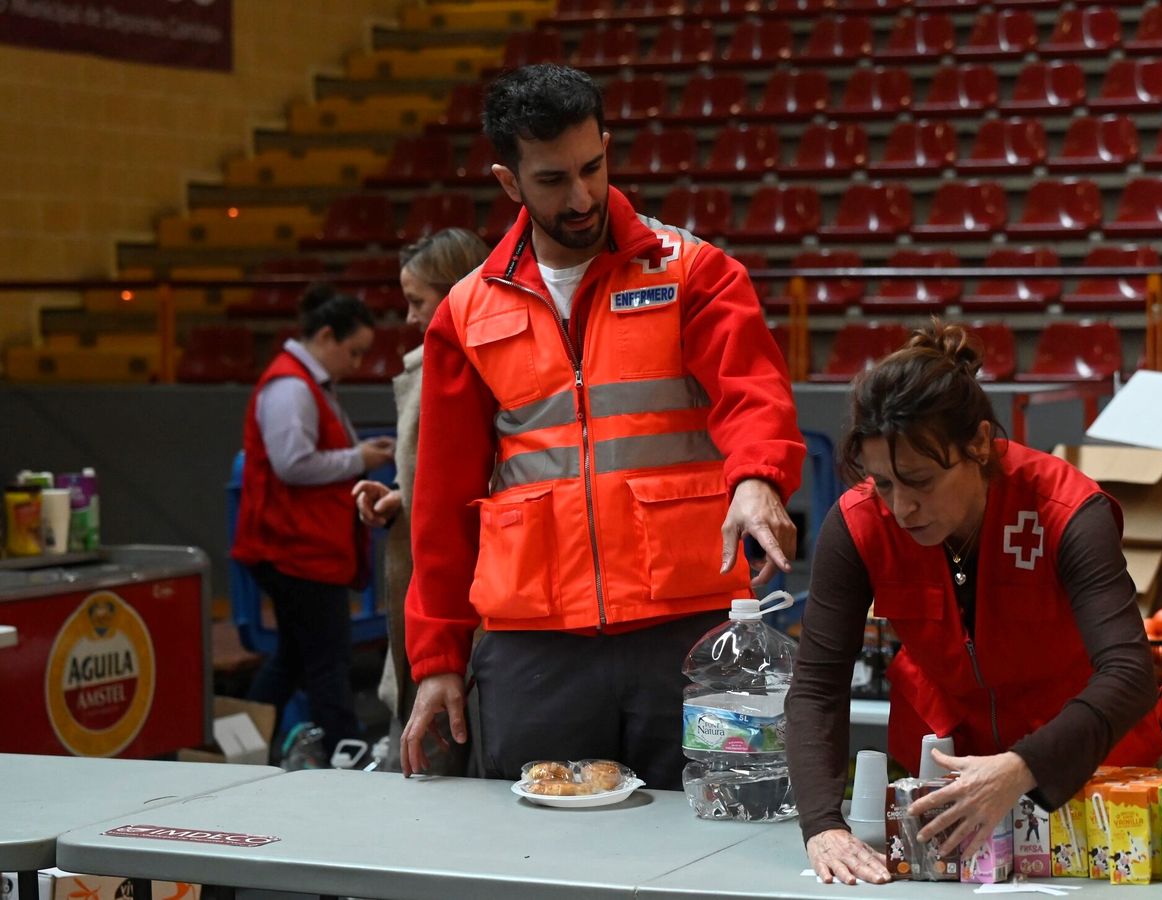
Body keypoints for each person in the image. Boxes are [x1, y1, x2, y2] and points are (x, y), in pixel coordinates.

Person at [401, 64, 805, 785]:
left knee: (715, 839)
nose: (582, 196)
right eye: (554, 179)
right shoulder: (464, 313)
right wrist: (436, 660)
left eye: (593, 167)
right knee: (533, 858)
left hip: (694, 630)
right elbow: (439, 506)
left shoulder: (695, 272)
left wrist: (756, 478)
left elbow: (754, 393)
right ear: (509, 182)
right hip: (534, 647)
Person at [787, 323, 1162, 886]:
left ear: (980, 445)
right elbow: (818, 683)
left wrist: (1023, 767)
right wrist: (822, 823)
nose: (901, 507)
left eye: (918, 481)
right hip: (948, 778)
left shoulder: (1065, 511)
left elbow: (1130, 673)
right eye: (884, 483)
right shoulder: (859, 524)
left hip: (1094, 769)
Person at [233, 285, 395, 760]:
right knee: (327, 661)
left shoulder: (306, 383)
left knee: (296, 658)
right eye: (354, 352)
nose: (358, 363)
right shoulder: (290, 387)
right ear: (326, 336)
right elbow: (292, 464)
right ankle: (350, 753)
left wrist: (357, 455)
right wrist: (358, 457)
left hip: (304, 547)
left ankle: (236, 741)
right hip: (295, 549)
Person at [351, 227, 489, 774]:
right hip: (423, 587)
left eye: (417, 302)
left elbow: (479, 478)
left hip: (468, 596)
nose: (408, 317)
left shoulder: (476, 367)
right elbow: (440, 476)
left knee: (441, 756)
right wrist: (401, 497)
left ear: (455, 291)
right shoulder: (425, 365)